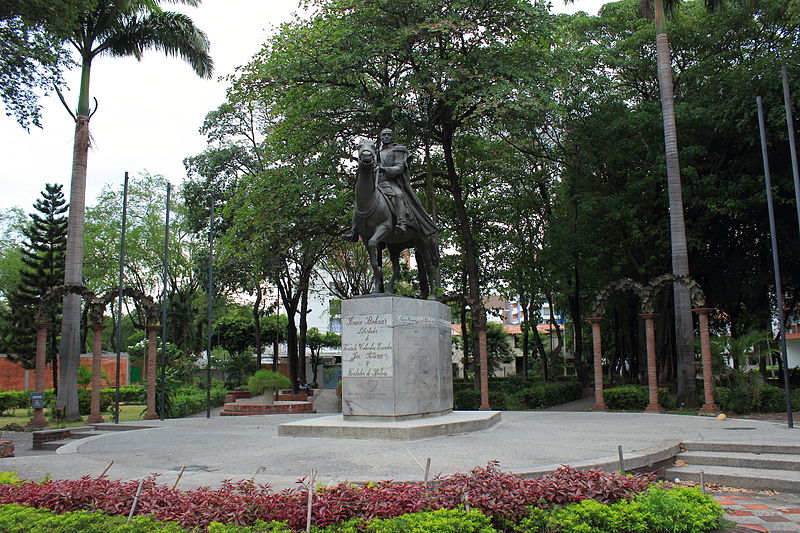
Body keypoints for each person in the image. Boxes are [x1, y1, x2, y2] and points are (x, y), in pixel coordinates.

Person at [344, 128, 437, 241]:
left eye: (389, 135)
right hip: (377, 184)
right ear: (381, 138)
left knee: (398, 195)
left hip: (391, 183)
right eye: (384, 135)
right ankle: (354, 230)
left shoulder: (398, 150)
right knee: (360, 200)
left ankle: (402, 223)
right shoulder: (377, 152)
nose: (386, 137)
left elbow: (399, 168)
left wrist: (383, 169)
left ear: (393, 137)